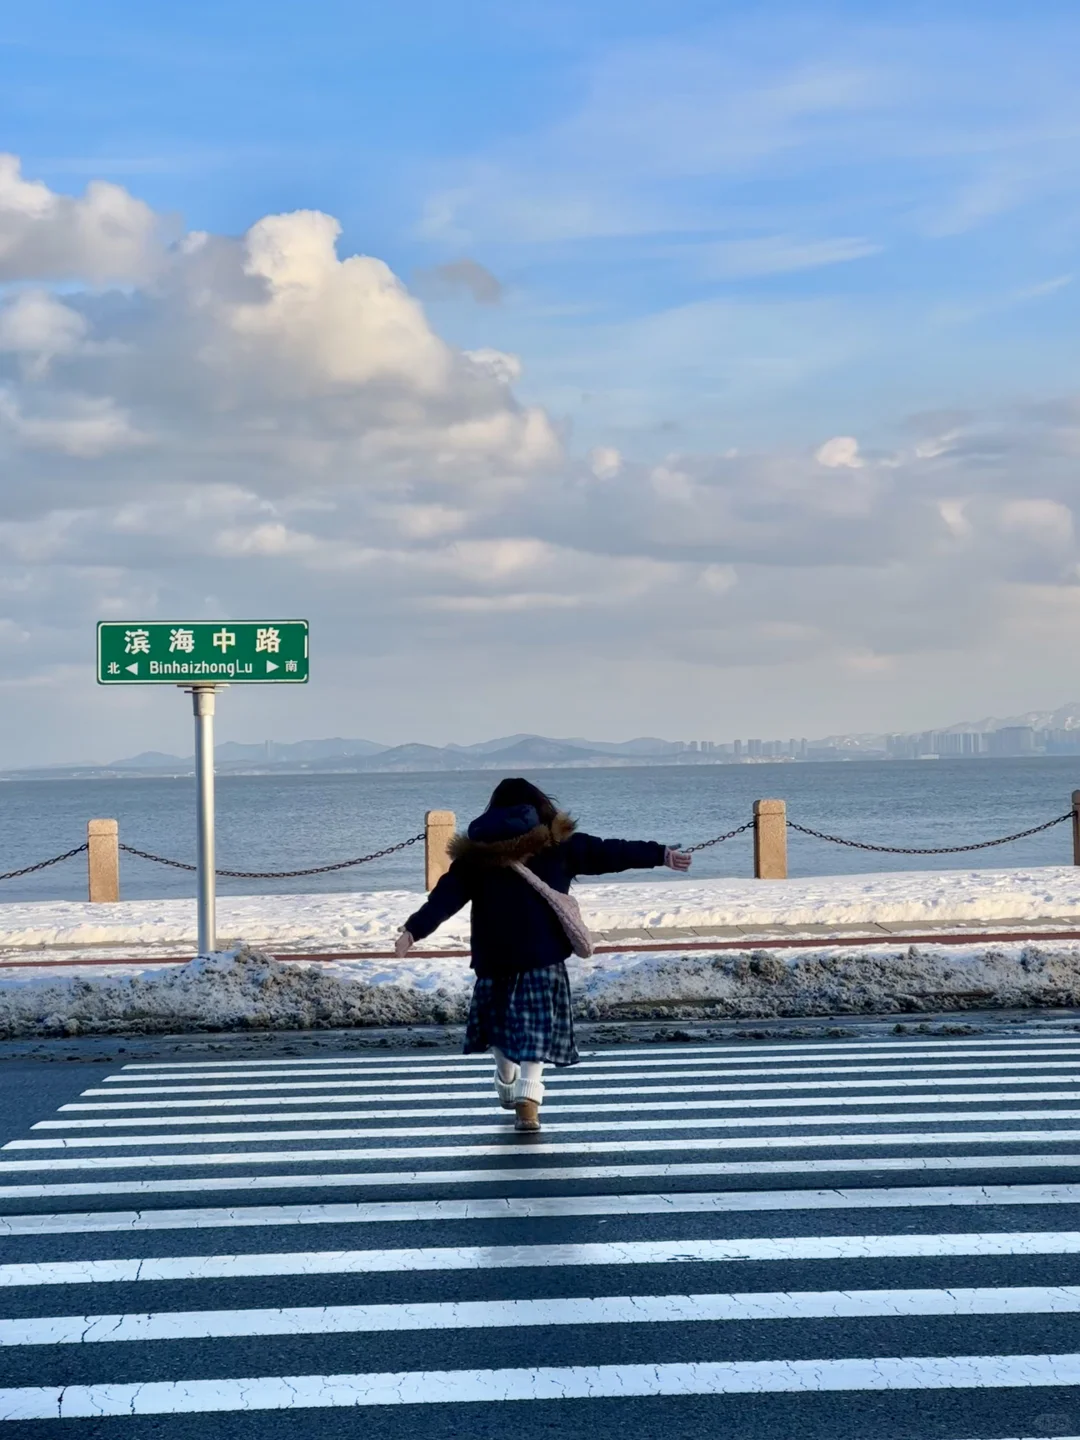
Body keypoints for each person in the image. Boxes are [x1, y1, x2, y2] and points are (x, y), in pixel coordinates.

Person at [395, 778, 692, 1132]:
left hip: (495, 958)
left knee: (500, 1028)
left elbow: (444, 899)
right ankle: (528, 1104)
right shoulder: (558, 845)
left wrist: (413, 930)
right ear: (538, 807)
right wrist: (659, 854)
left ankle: (507, 1078)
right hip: (543, 955)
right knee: (536, 1030)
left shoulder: (475, 857)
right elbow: (610, 852)